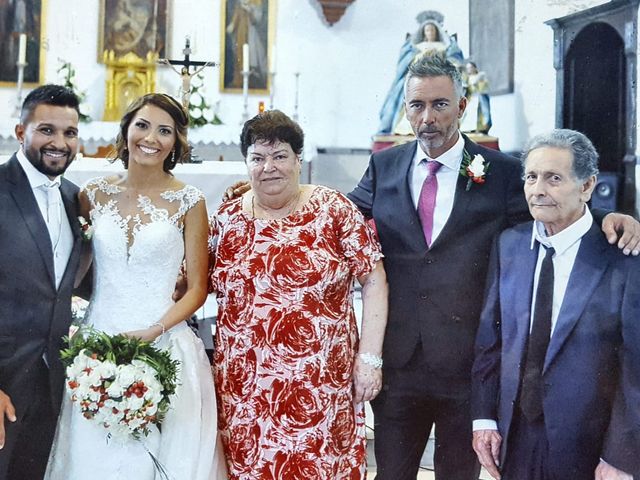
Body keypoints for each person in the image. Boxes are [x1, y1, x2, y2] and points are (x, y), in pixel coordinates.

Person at [347, 53, 640, 480]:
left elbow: (553, 211)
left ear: (462, 107)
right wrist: (273, 207)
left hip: (467, 364)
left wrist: (612, 218)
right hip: (400, 361)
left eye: (440, 104)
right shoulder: (385, 164)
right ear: (405, 109)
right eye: (417, 106)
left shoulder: (505, 173)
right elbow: (339, 216)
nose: (428, 117)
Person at [45, 93, 225, 479]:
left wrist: (154, 330)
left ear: (175, 142)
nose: (151, 138)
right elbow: (79, 270)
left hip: (161, 337)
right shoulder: (91, 195)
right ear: (126, 129)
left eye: (165, 131)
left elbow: (197, 288)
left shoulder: (189, 201)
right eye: (143, 125)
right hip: (97, 343)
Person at [209, 110, 388, 479]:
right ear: (246, 162)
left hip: (320, 384)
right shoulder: (226, 220)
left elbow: (374, 279)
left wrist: (369, 358)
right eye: (258, 158)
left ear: (298, 159)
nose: (268, 167)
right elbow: (193, 283)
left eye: (280, 156)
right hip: (247, 390)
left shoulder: (333, 209)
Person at [471, 129, 640, 480]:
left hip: (591, 448)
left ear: (588, 186)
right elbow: (491, 342)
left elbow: (635, 367)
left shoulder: (622, 258)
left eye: (554, 178)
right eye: (531, 177)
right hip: (514, 436)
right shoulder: (510, 246)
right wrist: (485, 419)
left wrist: (622, 456)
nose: (538, 190)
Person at [0, 84, 84, 480]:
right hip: (5, 380)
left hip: (54, 383)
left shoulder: (74, 198)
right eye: (46, 130)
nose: (59, 143)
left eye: (69, 133)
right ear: (21, 132)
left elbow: (72, 283)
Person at [377, 11, 464, 135]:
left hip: (440, 78)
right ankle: (403, 127)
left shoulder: (444, 46)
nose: (430, 33)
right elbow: (406, 64)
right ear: (424, 32)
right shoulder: (416, 47)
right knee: (403, 91)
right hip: (417, 78)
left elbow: (454, 61)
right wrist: (420, 57)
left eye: (432, 30)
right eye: (427, 30)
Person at [460, 61, 492, 134]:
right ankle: (469, 128)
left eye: (470, 67)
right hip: (471, 98)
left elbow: (485, 87)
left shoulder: (481, 76)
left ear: (474, 68)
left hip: (479, 98)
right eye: (468, 68)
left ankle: (482, 128)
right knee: (469, 113)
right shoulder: (467, 78)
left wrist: (478, 83)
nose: (469, 69)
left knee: (481, 114)